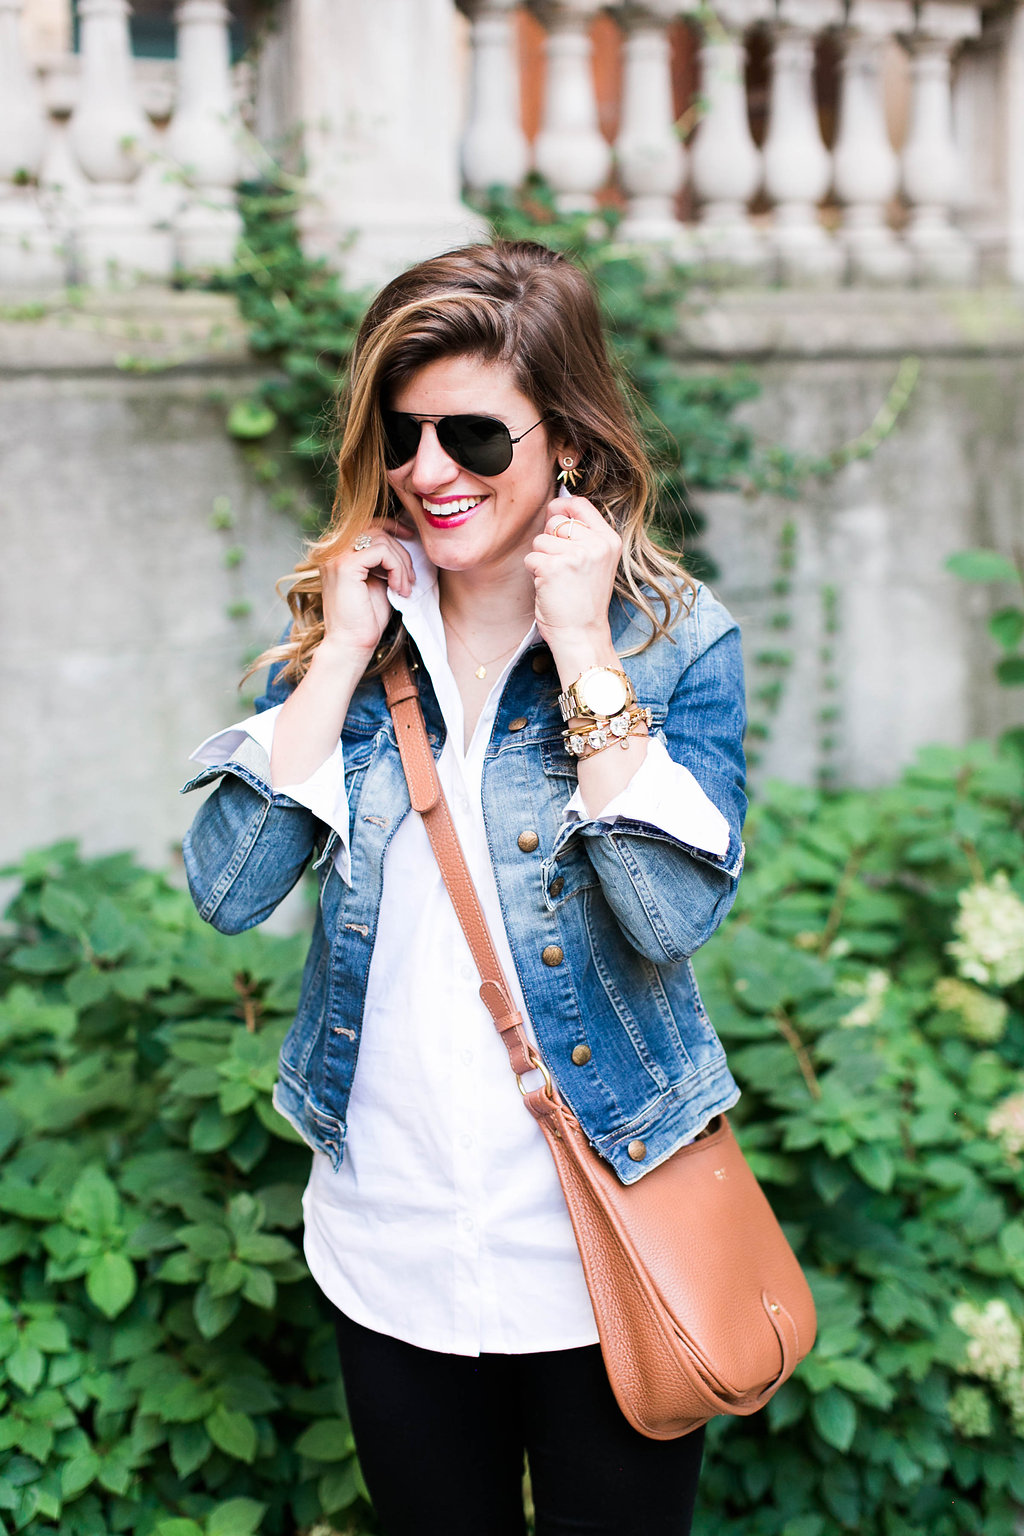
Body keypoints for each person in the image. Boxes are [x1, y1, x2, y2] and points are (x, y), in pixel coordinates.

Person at [181, 239, 747, 1536]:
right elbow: (229, 885)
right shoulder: (362, 623)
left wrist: (586, 641)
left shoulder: (673, 641)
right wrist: (334, 656)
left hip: (610, 1251)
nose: (430, 472)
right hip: (396, 1246)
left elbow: (670, 914)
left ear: (569, 444)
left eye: (476, 440)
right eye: (406, 433)